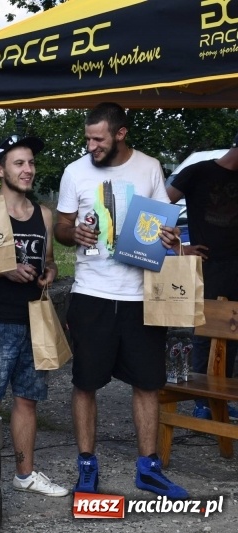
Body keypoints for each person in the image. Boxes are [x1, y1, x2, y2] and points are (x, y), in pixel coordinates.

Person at [54, 102, 188, 498]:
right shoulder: (74, 172)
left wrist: (169, 238)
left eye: (99, 139)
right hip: (91, 294)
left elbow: (167, 225)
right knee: (85, 383)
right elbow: (61, 225)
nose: (91, 145)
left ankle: (148, 468)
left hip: (140, 295)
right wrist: (72, 233)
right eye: (88, 139)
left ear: (120, 133)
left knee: (147, 383)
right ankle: (86, 467)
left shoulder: (149, 167)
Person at [0, 135, 68, 495]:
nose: (27, 170)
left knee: (27, 399)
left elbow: (52, 263)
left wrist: (49, 274)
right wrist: (5, 269)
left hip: (35, 320)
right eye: (19, 164)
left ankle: (25, 474)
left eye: (30, 163)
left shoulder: (44, 214)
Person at [167, 134, 238, 420]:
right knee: (204, 334)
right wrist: (178, 246)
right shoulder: (198, 172)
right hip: (207, 267)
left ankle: (219, 398)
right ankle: (202, 401)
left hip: (236, 267)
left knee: (232, 334)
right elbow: (158, 207)